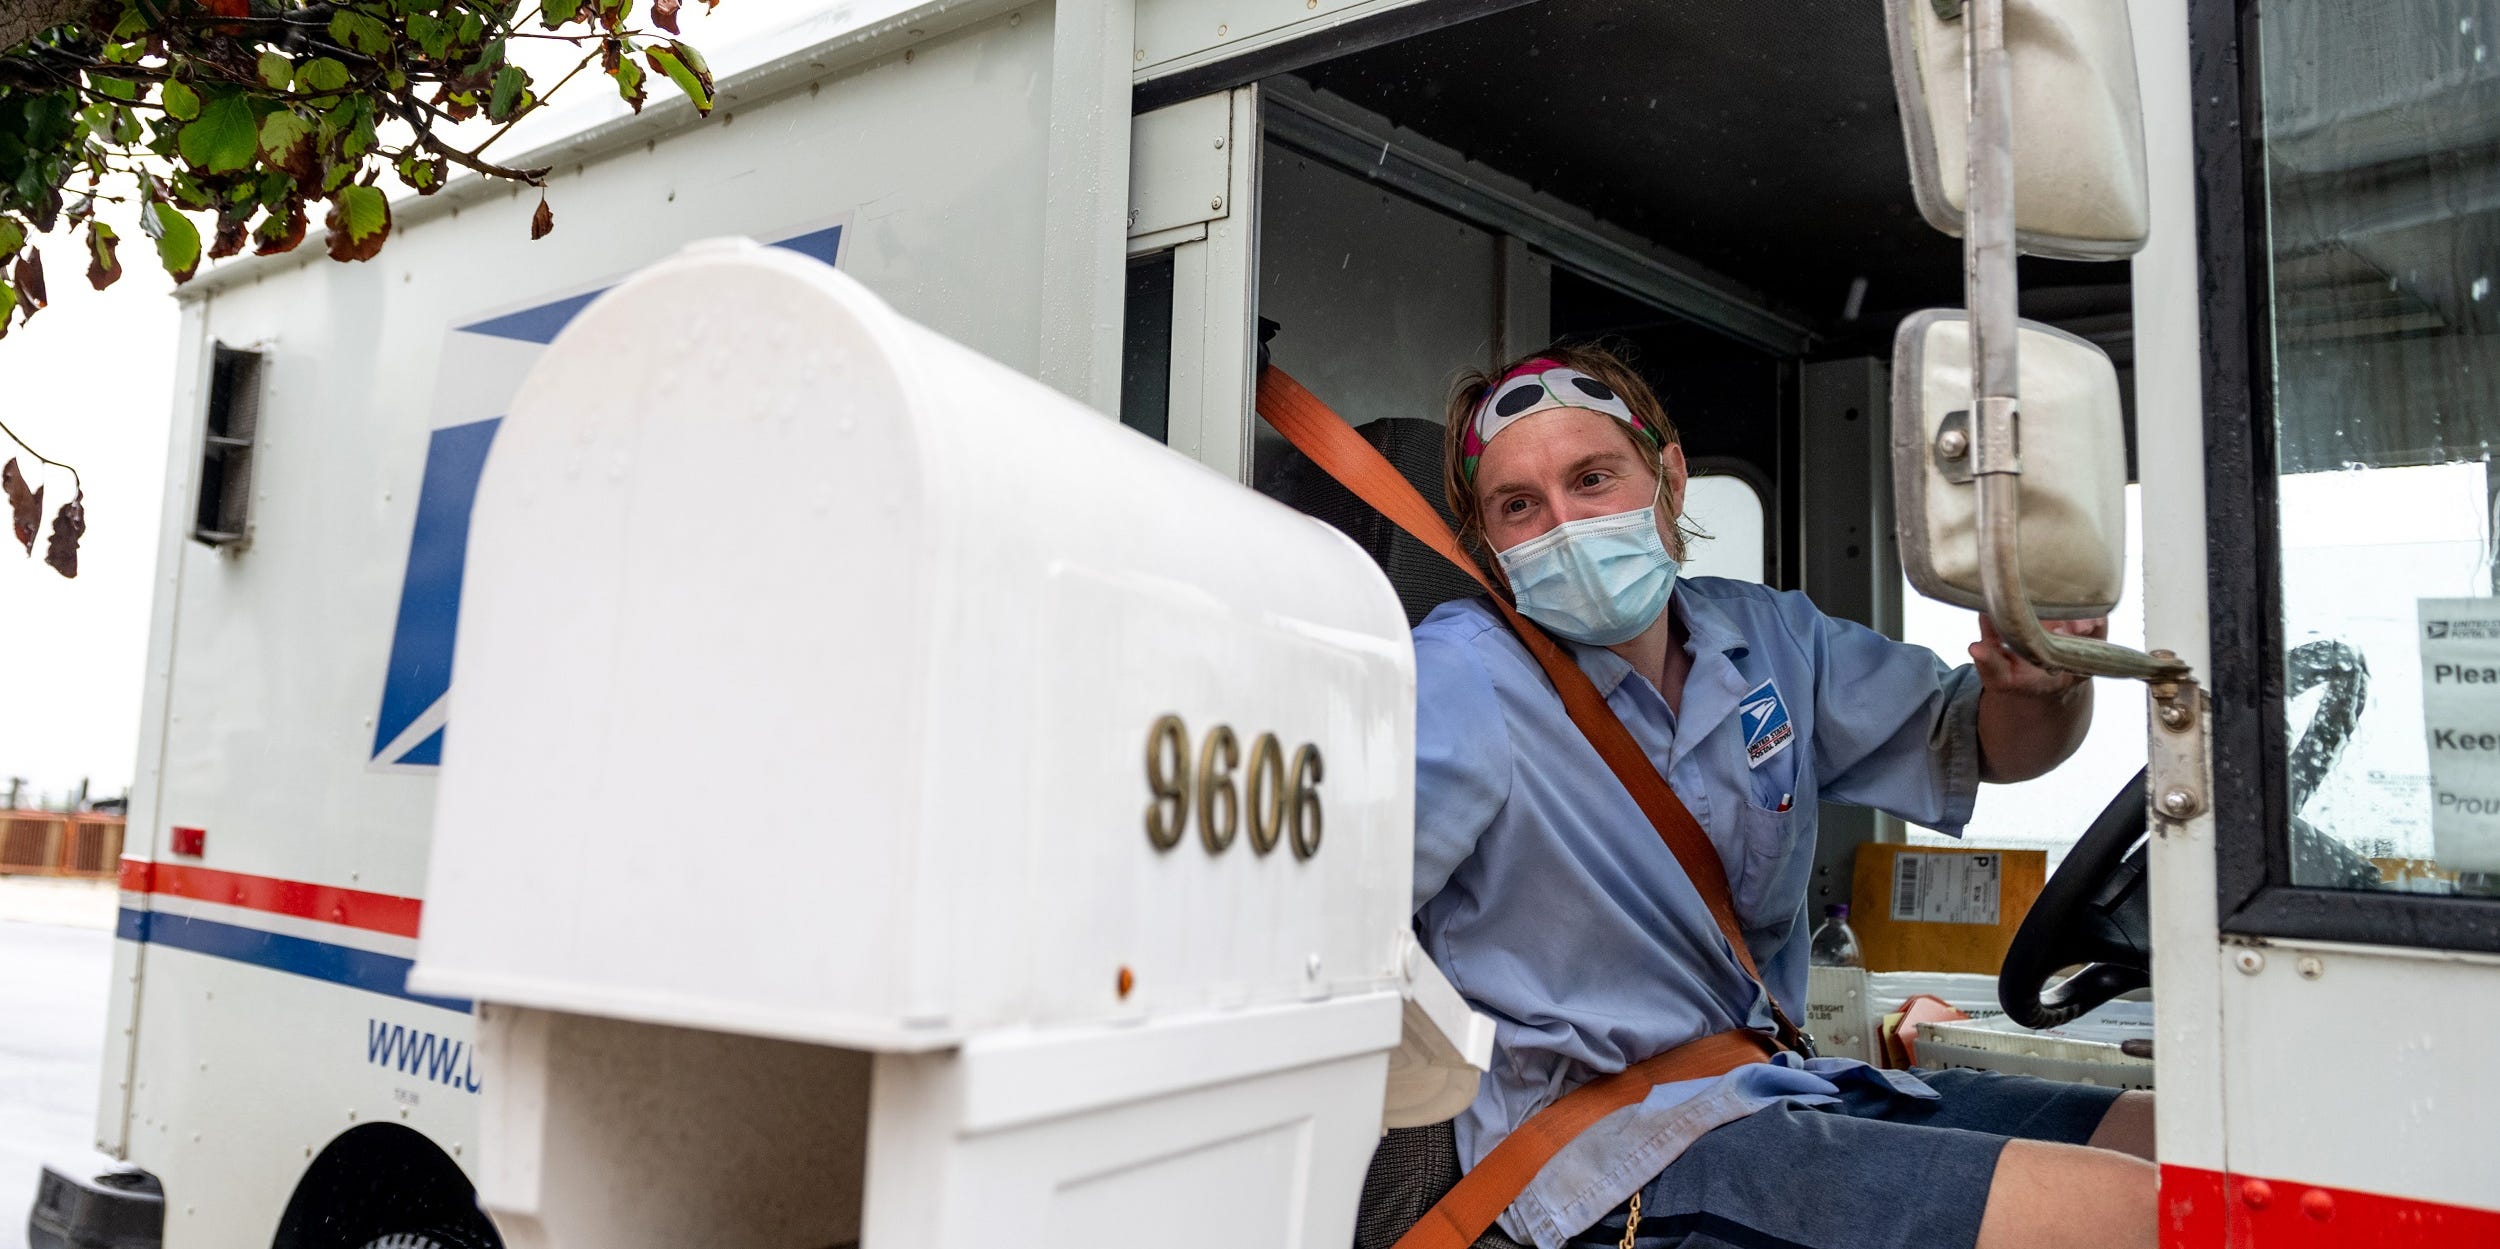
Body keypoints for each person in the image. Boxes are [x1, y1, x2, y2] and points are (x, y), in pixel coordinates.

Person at [1411, 341, 2154, 1249]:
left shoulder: (1767, 637)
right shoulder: (1457, 674)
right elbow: (1315, 925)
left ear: (1670, 478)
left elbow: (1988, 743)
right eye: (1520, 506)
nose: (1565, 525)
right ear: (1484, 541)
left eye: (1593, 478)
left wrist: (2042, 683)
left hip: (1780, 1087)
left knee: (2182, 1147)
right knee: (2131, 1216)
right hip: (1601, 1155)